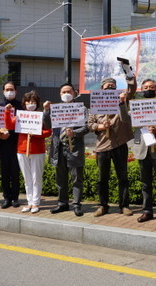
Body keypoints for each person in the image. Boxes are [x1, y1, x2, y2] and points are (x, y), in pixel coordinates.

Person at [87, 76, 136, 217]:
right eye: (107, 85)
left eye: (112, 85)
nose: (109, 87)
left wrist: (130, 78)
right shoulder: (95, 106)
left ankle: (124, 205)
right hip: (103, 147)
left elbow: (131, 90)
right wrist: (100, 126)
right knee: (102, 179)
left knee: (123, 177)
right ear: (101, 88)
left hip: (120, 144)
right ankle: (103, 205)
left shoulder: (122, 100)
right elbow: (90, 124)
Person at [128, 78, 156, 225]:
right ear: (141, 90)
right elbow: (125, 119)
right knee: (145, 183)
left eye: (152, 87)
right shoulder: (136, 106)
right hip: (142, 149)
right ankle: (147, 211)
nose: (149, 89)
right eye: (146, 87)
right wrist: (122, 103)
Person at [43, 83, 88, 217]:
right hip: (58, 147)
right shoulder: (55, 109)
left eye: (69, 91)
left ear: (75, 93)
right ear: (60, 94)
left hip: (74, 148)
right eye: (63, 92)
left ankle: (77, 204)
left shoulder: (81, 109)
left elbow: (87, 127)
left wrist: (74, 133)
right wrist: (46, 110)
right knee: (60, 178)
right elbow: (48, 124)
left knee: (76, 178)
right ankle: (62, 203)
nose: (66, 94)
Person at [5, 90, 51, 213]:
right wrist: (7, 112)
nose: (31, 104)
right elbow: (9, 125)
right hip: (21, 150)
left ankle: (36, 203)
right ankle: (29, 202)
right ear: (24, 103)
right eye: (28, 101)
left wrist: (37, 134)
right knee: (27, 178)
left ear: (37, 103)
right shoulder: (20, 116)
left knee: (36, 178)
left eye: (33, 102)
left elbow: (49, 131)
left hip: (38, 151)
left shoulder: (41, 115)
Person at [0, 81, 21, 209]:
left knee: (15, 173)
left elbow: (24, 125)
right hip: (2, 145)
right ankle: (6, 198)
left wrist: (9, 133)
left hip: (17, 143)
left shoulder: (21, 107)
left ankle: (15, 198)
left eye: (12, 89)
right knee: (4, 172)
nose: (9, 91)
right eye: (7, 89)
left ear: (16, 91)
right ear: (3, 91)